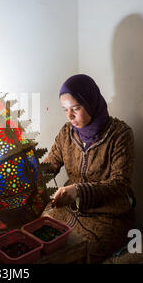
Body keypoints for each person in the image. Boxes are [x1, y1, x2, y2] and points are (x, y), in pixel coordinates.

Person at [43, 74, 136, 264]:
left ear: (90, 101)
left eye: (76, 108)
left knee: (77, 254)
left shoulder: (120, 135)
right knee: (40, 236)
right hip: (69, 209)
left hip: (108, 215)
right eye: (65, 110)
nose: (70, 116)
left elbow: (120, 183)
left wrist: (78, 191)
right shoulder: (66, 133)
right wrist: (27, 173)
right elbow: (51, 164)